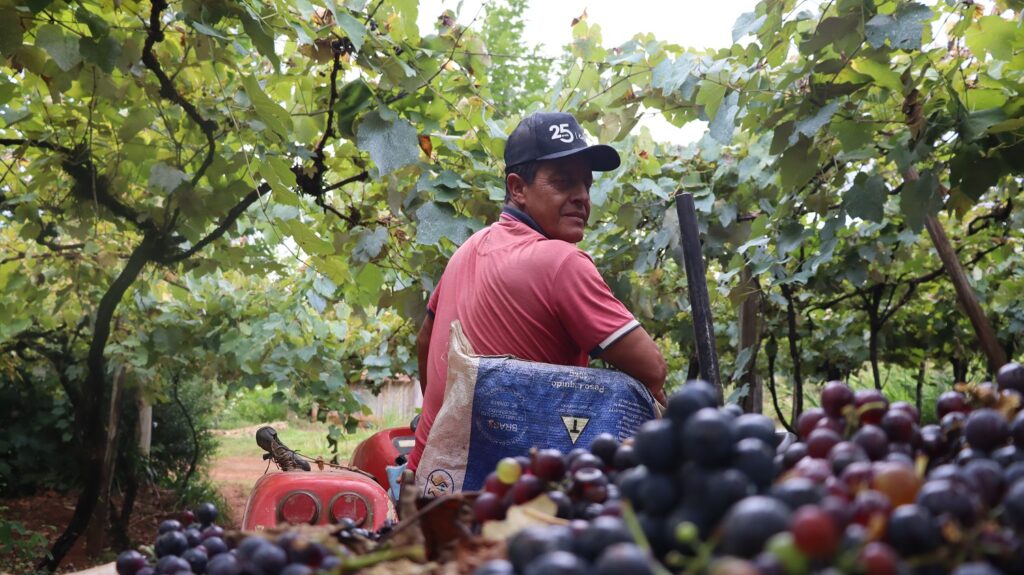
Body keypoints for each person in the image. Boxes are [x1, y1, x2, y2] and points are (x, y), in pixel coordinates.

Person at [406, 111, 667, 473]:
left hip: (424, 480)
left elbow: (424, 341)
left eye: (586, 186)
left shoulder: (467, 250)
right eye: (563, 183)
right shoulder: (562, 262)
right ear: (517, 188)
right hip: (502, 496)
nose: (581, 198)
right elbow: (653, 368)